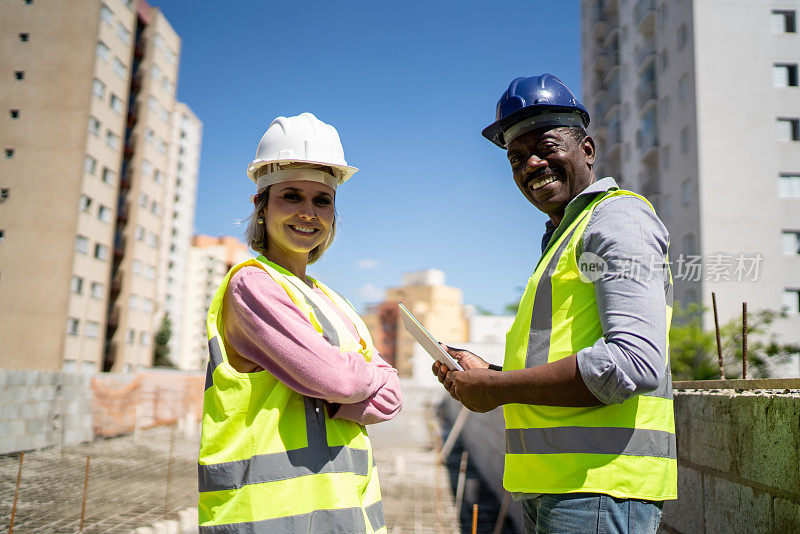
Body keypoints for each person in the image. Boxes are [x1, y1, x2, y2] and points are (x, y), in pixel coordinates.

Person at [433, 74, 676, 533]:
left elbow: (634, 362)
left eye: (545, 146)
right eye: (516, 157)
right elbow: (566, 363)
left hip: (599, 489)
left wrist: (496, 390)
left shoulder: (617, 218)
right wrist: (493, 377)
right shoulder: (565, 237)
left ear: (586, 149)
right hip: (560, 489)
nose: (531, 163)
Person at [198, 112, 402, 533]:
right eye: (291, 195)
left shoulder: (333, 302)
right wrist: (349, 385)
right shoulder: (252, 284)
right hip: (267, 518)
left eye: (321, 200)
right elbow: (333, 376)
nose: (308, 212)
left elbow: (391, 396)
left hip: (345, 513)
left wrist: (344, 386)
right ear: (261, 205)